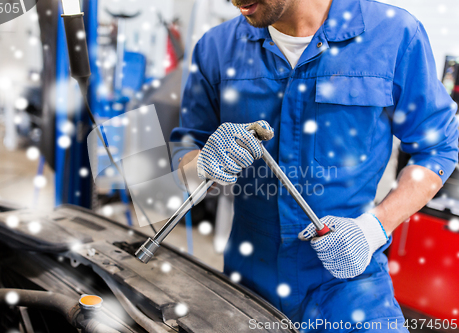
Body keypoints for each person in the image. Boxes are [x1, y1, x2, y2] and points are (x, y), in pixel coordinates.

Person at [170, 0, 459, 331]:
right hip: (248, 279)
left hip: (350, 282)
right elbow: (185, 155)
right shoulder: (215, 48)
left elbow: (438, 147)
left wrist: (373, 229)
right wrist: (202, 165)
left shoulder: (394, 34)